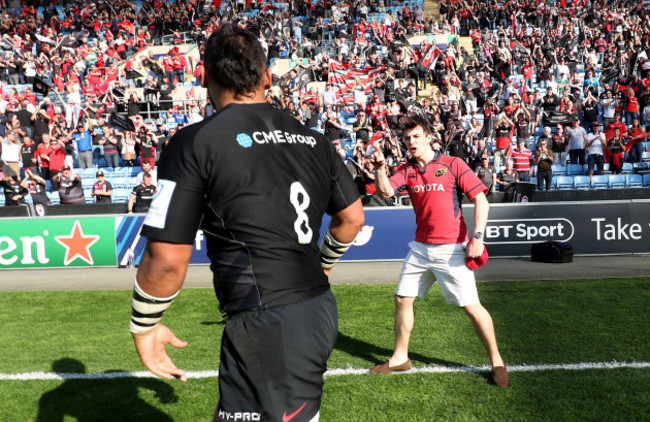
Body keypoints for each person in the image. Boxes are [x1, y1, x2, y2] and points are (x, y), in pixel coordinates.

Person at [128, 25, 364, 422]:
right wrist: (324, 262)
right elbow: (352, 220)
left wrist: (144, 325)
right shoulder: (316, 140)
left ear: (203, 76)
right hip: (318, 309)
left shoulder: (194, 142)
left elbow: (166, 259)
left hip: (267, 321)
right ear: (267, 77)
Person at [368, 114, 508, 387]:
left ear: (429, 137)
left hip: (453, 249)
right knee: (402, 299)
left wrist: (478, 237)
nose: (411, 142)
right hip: (420, 248)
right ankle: (399, 358)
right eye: (407, 138)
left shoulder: (453, 164)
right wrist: (380, 168)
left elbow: (480, 199)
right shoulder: (406, 169)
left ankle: (497, 361)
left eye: (417, 136)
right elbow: (385, 192)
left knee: (471, 307)